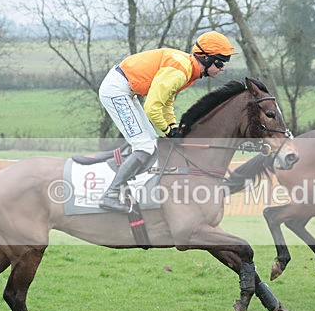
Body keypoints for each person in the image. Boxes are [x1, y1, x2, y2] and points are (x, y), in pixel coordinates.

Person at [97, 31, 237, 212]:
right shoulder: (180, 71)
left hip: (127, 89)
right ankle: (110, 194)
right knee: (144, 146)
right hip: (117, 90)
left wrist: (172, 127)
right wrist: (168, 130)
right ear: (207, 59)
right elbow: (152, 108)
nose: (222, 68)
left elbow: (167, 100)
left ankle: (134, 187)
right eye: (220, 62)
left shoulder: (187, 69)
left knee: (153, 144)